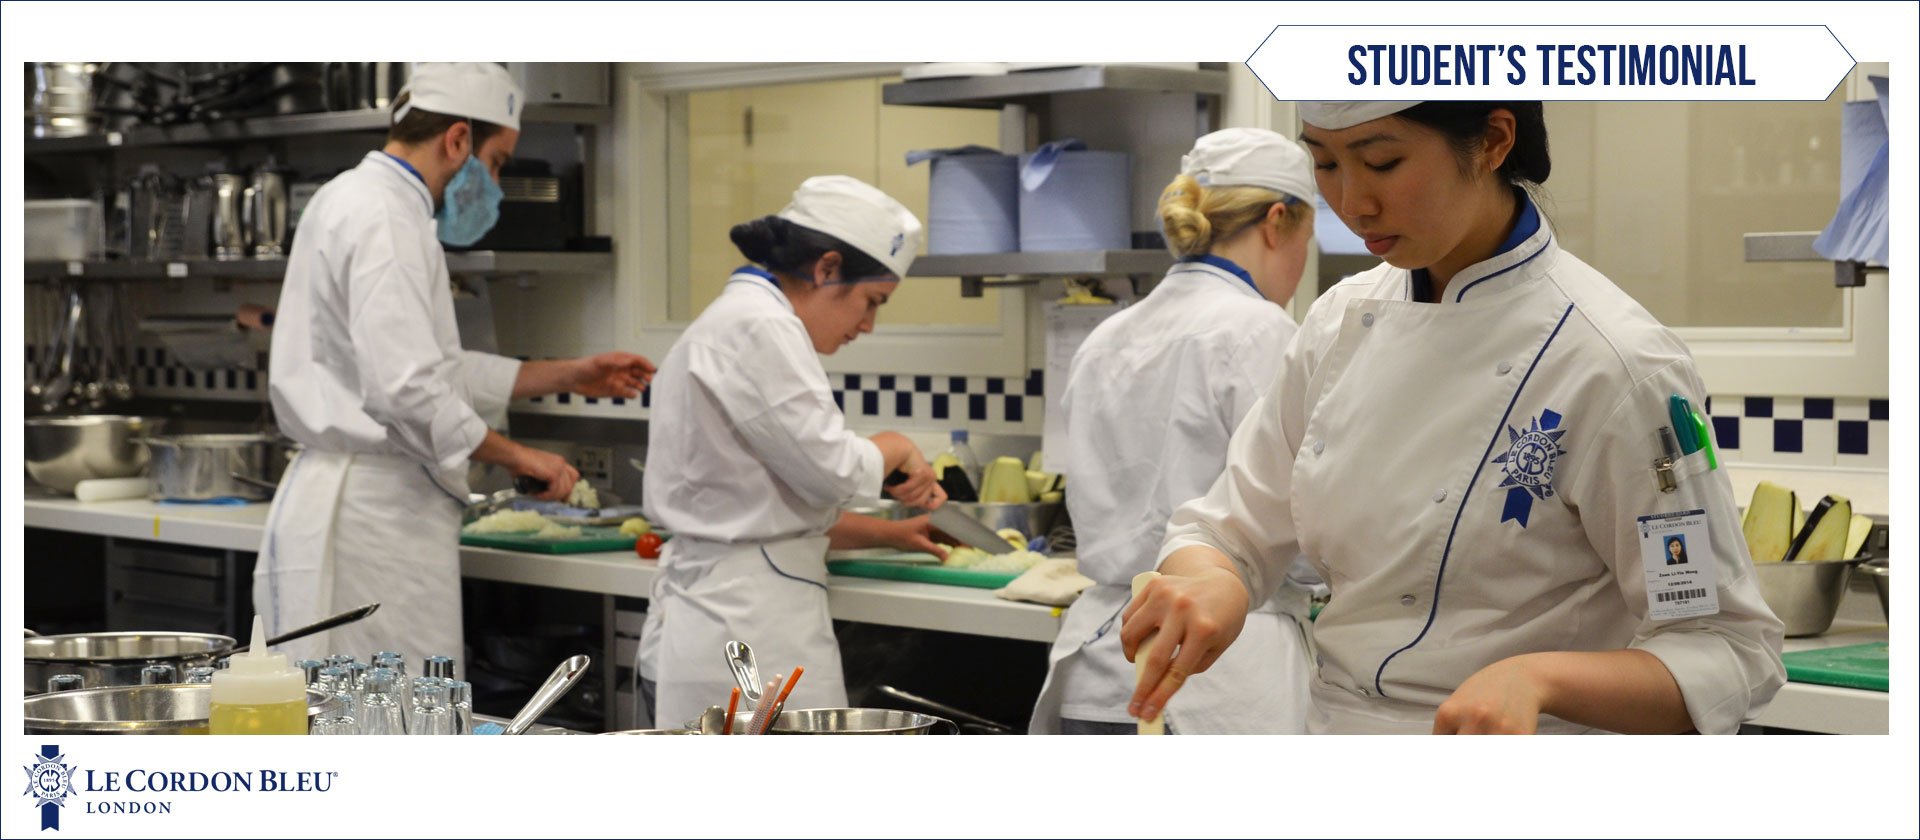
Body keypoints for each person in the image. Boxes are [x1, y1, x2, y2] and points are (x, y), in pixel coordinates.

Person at [1121, 101, 1786, 734]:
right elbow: (1228, 530)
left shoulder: (1616, 361)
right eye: (1325, 164)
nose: (1352, 204)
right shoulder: (1337, 322)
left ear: (1495, 141)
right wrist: (1211, 580)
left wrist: (1538, 680)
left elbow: (1726, 648)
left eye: (1381, 162)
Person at [256, 63, 655, 668]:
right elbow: (408, 390)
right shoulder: (386, 217)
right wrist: (520, 456)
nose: (492, 184)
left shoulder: (358, 198)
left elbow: (432, 368)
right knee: (392, 725)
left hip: (360, 507)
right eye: (496, 163)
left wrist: (570, 373)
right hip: (372, 520)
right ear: (458, 140)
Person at [1028, 128, 1320, 735]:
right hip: (1216, 679)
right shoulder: (1260, 331)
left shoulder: (1106, 336)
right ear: (1276, 222)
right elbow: (1300, 529)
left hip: (1098, 667)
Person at [639, 175, 950, 727]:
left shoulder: (746, 320)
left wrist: (888, 533)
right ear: (827, 269)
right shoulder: (759, 326)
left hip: (734, 616)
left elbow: (769, 506)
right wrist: (896, 447)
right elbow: (833, 472)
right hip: (745, 629)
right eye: (871, 301)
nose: (869, 325)